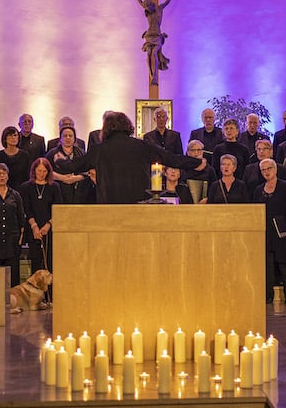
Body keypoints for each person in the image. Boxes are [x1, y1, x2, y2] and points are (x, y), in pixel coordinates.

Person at [54, 111, 206, 204]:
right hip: (138, 204)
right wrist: (196, 162)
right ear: (128, 126)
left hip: (109, 206)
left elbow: (74, 165)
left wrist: (59, 160)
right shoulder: (142, 145)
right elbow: (170, 158)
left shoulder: (99, 150)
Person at [252, 159, 286, 304]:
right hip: (265, 231)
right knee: (267, 266)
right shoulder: (258, 189)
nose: (266, 172)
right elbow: (255, 211)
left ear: (275, 169)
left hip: (283, 231)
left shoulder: (285, 186)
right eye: (263, 170)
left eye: (269, 169)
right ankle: (268, 297)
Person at [19, 158, 62, 293]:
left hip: (50, 228)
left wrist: (48, 225)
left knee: (50, 263)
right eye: (39, 171)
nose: (41, 174)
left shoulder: (54, 187)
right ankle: (35, 294)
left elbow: (58, 208)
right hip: (33, 228)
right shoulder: (26, 187)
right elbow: (26, 209)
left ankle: (51, 295)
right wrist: (34, 226)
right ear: (34, 171)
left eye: (44, 171)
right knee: (36, 261)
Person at [128, 0, 180, 85]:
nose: (147, 10)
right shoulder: (147, 10)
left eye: (148, 8)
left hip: (157, 35)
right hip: (148, 35)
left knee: (154, 53)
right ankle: (151, 75)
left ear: (151, 5)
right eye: (146, 8)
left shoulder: (159, 8)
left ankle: (154, 77)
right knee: (148, 54)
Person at [45, 125, 86, 203]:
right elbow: (45, 171)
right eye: (65, 136)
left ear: (74, 138)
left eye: (70, 136)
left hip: (78, 192)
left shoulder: (81, 153)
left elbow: (88, 172)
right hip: (58, 190)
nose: (68, 138)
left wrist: (77, 178)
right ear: (60, 139)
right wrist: (62, 177)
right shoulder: (52, 153)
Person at [0, 126, 31, 192]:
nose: (13, 138)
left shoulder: (24, 155)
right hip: (2, 190)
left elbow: (27, 177)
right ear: (5, 138)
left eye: (15, 135)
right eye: (10, 135)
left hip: (21, 191)